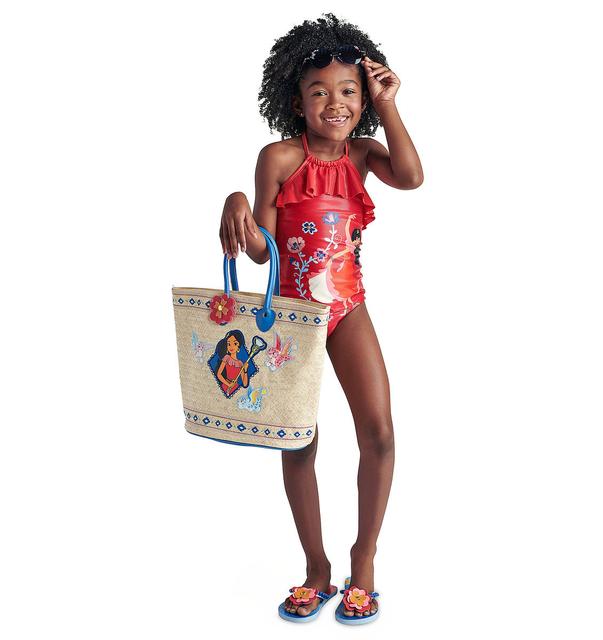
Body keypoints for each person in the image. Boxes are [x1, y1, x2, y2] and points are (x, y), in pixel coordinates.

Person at [218, 13, 423, 624]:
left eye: (349, 91)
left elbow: (413, 177)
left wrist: (388, 105)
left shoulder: (365, 154)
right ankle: (316, 569)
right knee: (298, 443)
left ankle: (365, 561)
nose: (335, 103)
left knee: (379, 433)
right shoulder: (279, 157)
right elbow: (262, 251)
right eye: (319, 91)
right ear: (296, 100)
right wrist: (236, 201)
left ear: (364, 97)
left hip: (347, 308)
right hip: (291, 318)